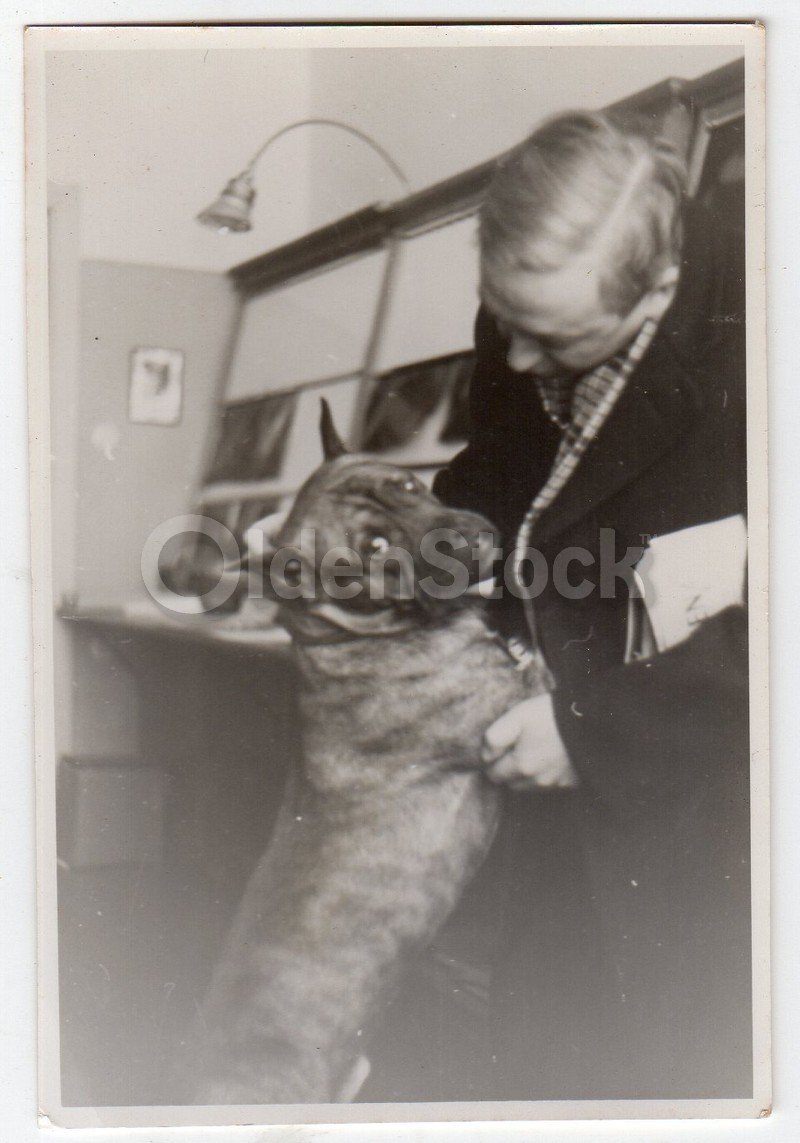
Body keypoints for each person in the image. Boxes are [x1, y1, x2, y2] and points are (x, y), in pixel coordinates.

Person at [429, 110, 751, 1100]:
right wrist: (412, 536)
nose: (518, 360)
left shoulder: (757, 354)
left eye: (554, 339)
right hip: (561, 827)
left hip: (706, 823)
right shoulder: (530, 313)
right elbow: (507, 464)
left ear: (656, 287)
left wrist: (592, 731)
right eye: (502, 321)